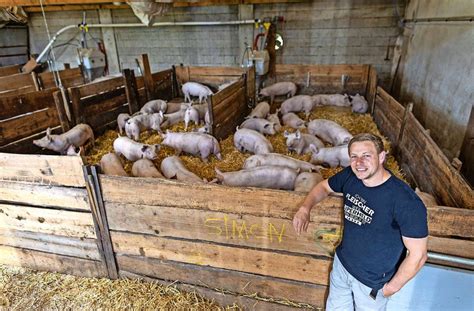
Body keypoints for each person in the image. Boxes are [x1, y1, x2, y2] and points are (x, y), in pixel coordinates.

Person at [293, 133, 428, 310]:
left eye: (366, 156)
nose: (359, 163)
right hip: (342, 267)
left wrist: (390, 288)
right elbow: (324, 186)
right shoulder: (351, 176)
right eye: (354, 157)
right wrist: (305, 208)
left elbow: (418, 256)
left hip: (371, 283)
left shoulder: (405, 201)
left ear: (381, 157)